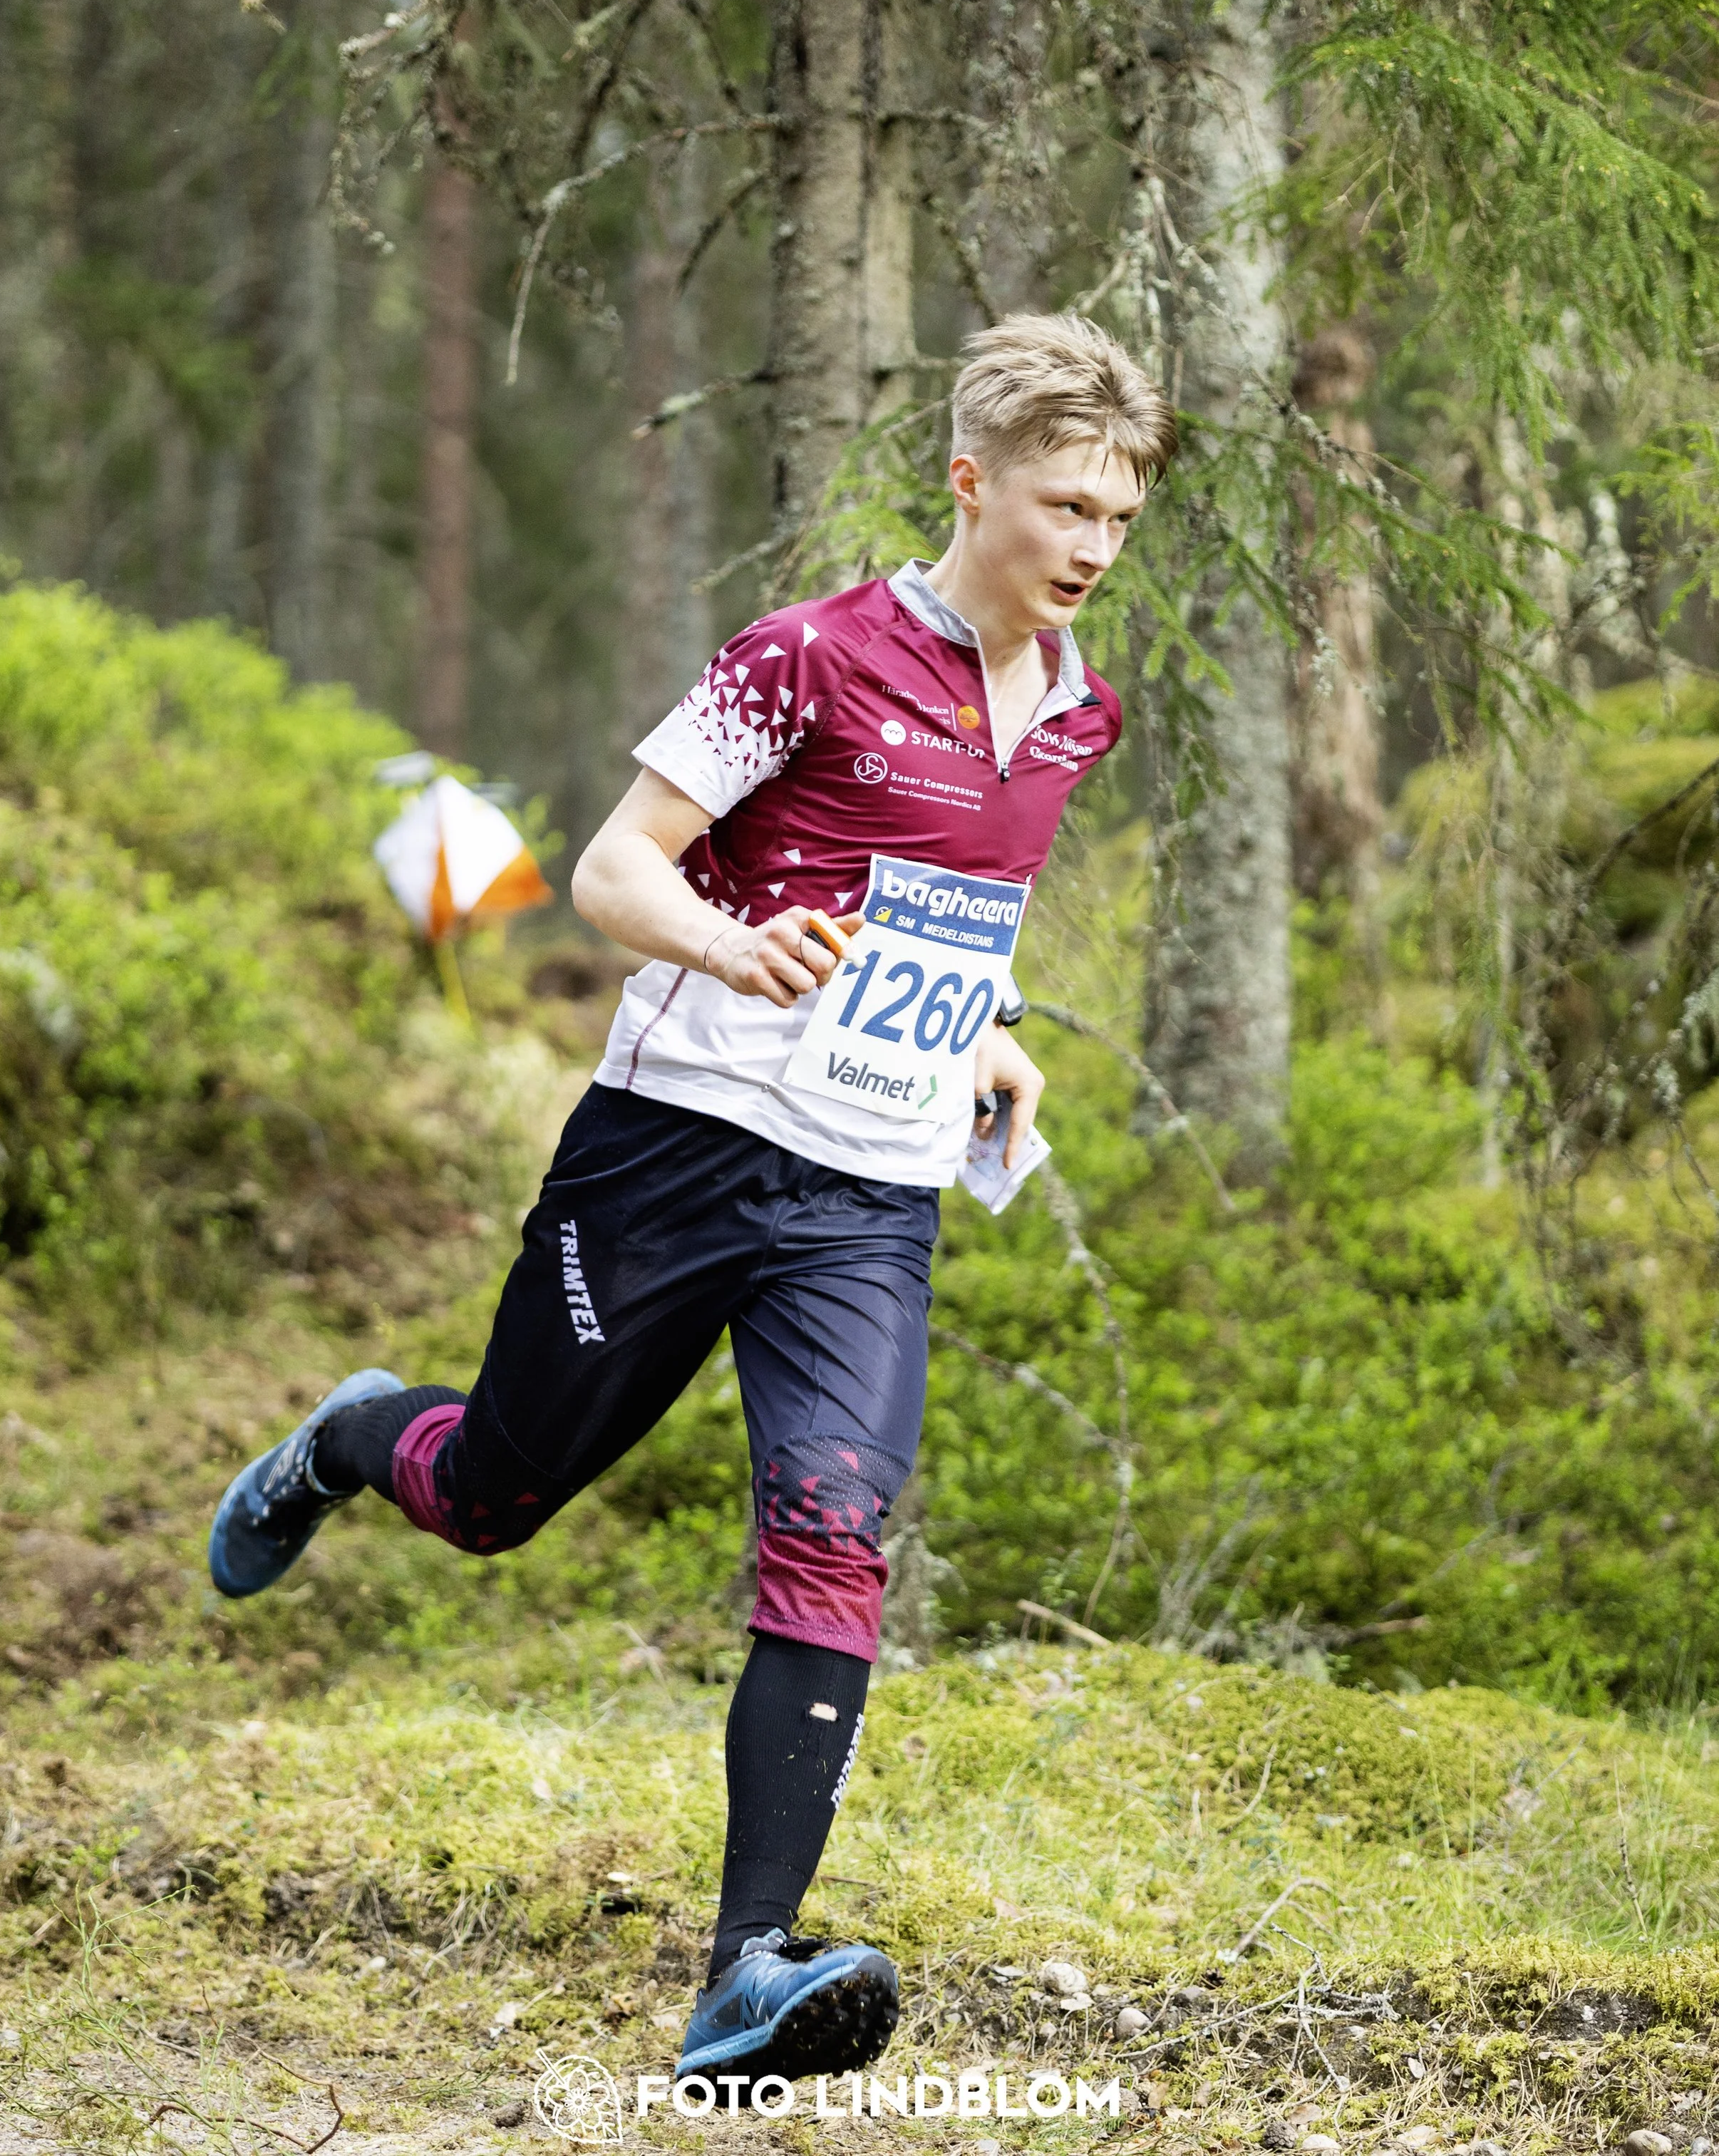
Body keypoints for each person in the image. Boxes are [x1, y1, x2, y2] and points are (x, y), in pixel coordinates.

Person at [207, 311, 1177, 2085]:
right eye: (1063, 509)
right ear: (970, 483)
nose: (1091, 551)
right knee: (494, 1496)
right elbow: (607, 870)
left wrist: (993, 1028)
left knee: (832, 1529)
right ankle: (356, 1434)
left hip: (868, 1197)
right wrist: (735, 945)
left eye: (1118, 518)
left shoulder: (1078, 714)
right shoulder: (801, 658)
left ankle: (746, 1971)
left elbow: (959, 901)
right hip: (673, 1152)